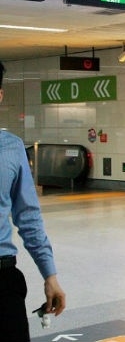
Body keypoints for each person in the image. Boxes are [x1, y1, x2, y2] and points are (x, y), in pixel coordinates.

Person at [0, 61, 66, 341]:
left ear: (0, 95)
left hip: (2, 277)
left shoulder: (11, 147)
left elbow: (28, 217)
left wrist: (49, 274)